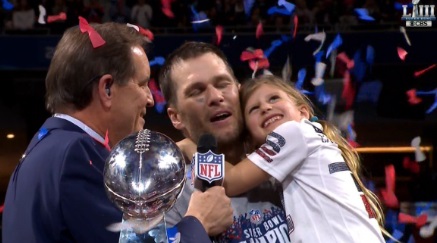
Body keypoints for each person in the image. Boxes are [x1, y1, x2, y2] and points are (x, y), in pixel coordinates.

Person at [2, 22, 233, 243]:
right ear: (107, 89)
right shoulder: (77, 154)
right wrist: (199, 221)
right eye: (143, 84)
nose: (151, 99)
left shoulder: (46, 146)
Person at [222, 75, 387, 242]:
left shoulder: (294, 132)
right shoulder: (306, 141)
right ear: (251, 141)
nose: (265, 107)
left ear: (302, 112)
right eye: (254, 109)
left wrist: (196, 143)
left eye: (274, 98)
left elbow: (230, 181)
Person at [159, 41, 291, 242]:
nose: (215, 96)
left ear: (239, 91)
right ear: (175, 117)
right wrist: (196, 225)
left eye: (223, 84)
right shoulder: (163, 194)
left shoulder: (286, 156)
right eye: (196, 91)